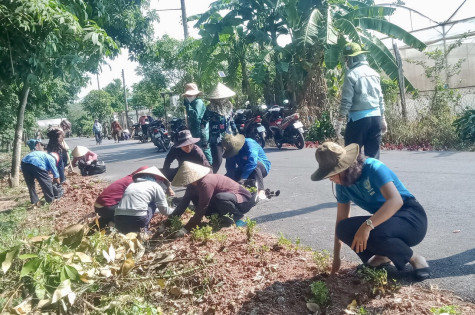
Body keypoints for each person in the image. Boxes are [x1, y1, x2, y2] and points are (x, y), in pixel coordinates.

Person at [311, 142, 430, 280]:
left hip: (411, 218)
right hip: (387, 221)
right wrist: (336, 258)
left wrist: (366, 226)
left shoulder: (373, 167)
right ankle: (382, 256)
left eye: (331, 174)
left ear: (343, 168)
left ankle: (415, 259)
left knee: (373, 230)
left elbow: (396, 201)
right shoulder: (342, 186)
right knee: (343, 228)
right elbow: (340, 220)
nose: (330, 178)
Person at [170, 161, 256, 238]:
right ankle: (221, 217)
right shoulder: (192, 185)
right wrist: (168, 221)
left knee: (220, 197)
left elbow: (203, 206)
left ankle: (236, 217)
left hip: (242, 201)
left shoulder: (206, 182)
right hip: (225, 200)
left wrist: (186, 228)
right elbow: (183, 203)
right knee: (196, 199)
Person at [335, 42, 386, 159]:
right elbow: (380, 98)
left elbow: (346, 101)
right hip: (376, 119)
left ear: (352, 58)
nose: (346, 62)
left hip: (359, 121)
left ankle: (355, 178)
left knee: (352, 158)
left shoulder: (351, 75)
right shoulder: (374, 73)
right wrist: (383, 118)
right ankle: (371, 177)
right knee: (373, 158)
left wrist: (339, 121)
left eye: (347, 59)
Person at [95, 166, 175, 228]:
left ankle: (106, 221)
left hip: (100, 207)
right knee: (148, 205)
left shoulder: (131, 179)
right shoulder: (139, 183)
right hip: (107, 207)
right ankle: (115, 224)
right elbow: (161, 208)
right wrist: (174, 211)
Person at [115, 167, 174, 234]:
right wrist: (175, 211)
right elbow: (164, 210)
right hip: (137, 220)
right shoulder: (155, 185)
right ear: (154, 178)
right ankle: (144, 231)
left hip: (118, 220)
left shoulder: (131, 185)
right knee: (153, 203)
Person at [222, 133, 271, 200]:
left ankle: (261, 191)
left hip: (261, 168)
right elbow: (230, 168)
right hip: (244, 169)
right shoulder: (230, 149)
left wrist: (243, 178)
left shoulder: (249, 143)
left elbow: (252, 162)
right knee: (226, 179)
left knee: (255, 166)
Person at [203, 83, 238, 173]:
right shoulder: (210, 108)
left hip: (228, 137)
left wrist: (236, 133)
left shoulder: (229, 106)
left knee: (232, 159)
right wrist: (204, 139)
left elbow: (231, 121)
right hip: (216, 139)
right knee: (218, 161)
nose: (221, 99)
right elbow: (203, 123)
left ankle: (231, 177)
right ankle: (210, 178)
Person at [183, 83, 212, 164]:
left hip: (201, 131)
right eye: (187, 96)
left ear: (195, 95)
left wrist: (188, 106)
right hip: (195, 131)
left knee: (204, 149)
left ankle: (210, 167)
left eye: (190, 95)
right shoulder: (192, 103)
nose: (188, 97)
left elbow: (196, 116)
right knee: (197, 151)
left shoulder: (198, 102)